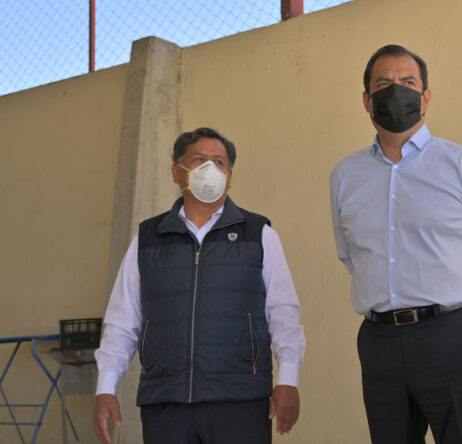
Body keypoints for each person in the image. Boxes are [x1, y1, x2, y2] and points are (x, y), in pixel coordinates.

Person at [330, 44, 462, 444]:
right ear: (367, 100)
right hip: (380, 343)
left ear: (426, 96)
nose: (396, 91)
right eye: (384, 84)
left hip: (453, 336)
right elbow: (351, 254)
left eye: (408, 82)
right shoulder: (345, 175)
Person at [93, 128, 306, 444]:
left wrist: (288, 379)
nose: (211, 169)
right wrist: (106, 387)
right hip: (166, 402)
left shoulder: (258, 234)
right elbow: (122, 320)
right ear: (178, 172)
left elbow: (284, 313)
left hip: (240, 401)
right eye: (199, 160)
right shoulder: (148, 239)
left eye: (219, 162)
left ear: (229, 176)